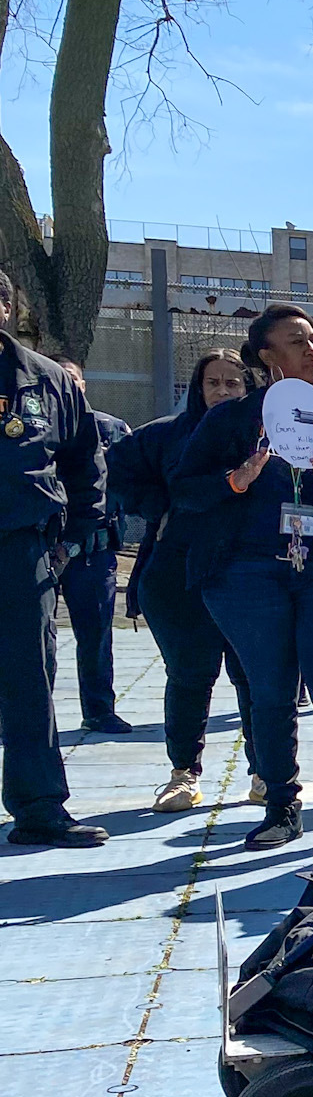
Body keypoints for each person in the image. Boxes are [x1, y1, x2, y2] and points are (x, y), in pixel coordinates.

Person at [170, 305, 313, 852]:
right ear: (267, 357)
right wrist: (235, 480)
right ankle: (280, 807)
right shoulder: (233, 420)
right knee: (270, 694)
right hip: (248, 577)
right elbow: (184, 492)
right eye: (297, 342)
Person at [106, 348, 261, 813]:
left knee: (255, 678)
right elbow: (118, 470)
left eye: (233, 384)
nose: (222, 392)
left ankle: (265, 773)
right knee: (190, 675)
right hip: (177, 574)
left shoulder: (268, 434)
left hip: (247, 574)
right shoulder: (168, 434)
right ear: (196, 388)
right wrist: (157, 507)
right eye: (212, 383)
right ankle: (183, 774)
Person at [0, 268, 109, 847]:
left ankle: (38, 805)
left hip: (20, 546)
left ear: (8, 309)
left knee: (26, 676)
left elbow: (83, 457)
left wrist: (82, 525)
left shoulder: (44, 381)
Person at [54, 360, 132, 733]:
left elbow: (129, 481)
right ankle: (27, 715)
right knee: (30, 637)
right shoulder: (35, 430)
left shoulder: (110, 429)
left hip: (92, 550)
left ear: (83, 384)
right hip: (39, 548)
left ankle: (100, 709)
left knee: (96, 635)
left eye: (72, 381)